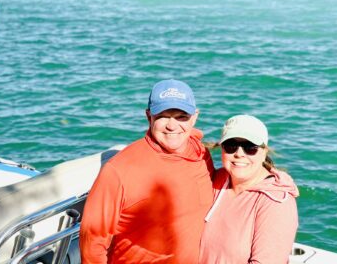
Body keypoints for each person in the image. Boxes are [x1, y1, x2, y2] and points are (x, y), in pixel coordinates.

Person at [79, 79, 215, 264]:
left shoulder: (201, 154)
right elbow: (93, 241)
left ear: (195, 117)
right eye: (163, 116)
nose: (172, 126)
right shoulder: (119, 170)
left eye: (181, 116)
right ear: (148, 116)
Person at [199, 114, 299, 264]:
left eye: (250, 147)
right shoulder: (217, 179)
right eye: (231, 146)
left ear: (264, 151)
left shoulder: (276, 203)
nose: (239, 154)